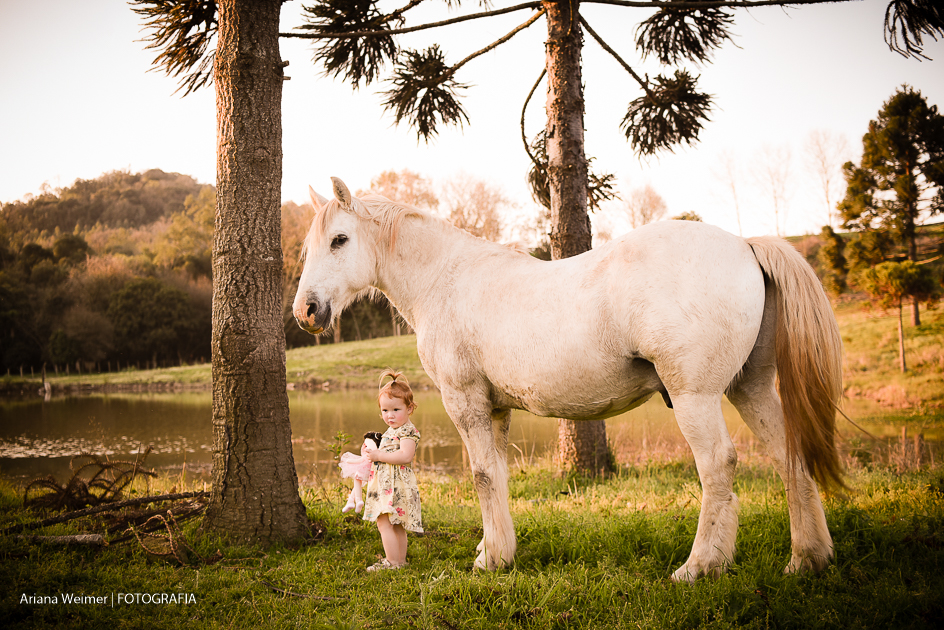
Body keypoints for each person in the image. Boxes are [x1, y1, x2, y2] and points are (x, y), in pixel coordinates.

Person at [363, 369, 423, 571]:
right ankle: (399, 561)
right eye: (385, 411)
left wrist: (379, 456)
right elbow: (387, 452)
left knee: (385, 523)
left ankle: (392, 561)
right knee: (394, 523)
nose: (390, 415)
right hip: (389, 484)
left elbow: (406, 456)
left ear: (410, 408)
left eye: (396, 410)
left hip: (395, 486)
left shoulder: (407, 430)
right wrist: (372, 451)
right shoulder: (393, 430)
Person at [338, 431, 384, 513]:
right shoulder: (378, 454)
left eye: (366, 445)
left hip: (367, 472)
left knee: (357, 479)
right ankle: (350, 501)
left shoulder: (368, 454)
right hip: (374, 473)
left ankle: (359, 500)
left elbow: (360, 460)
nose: (364, 446)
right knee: (357, 485)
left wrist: (349, 461)